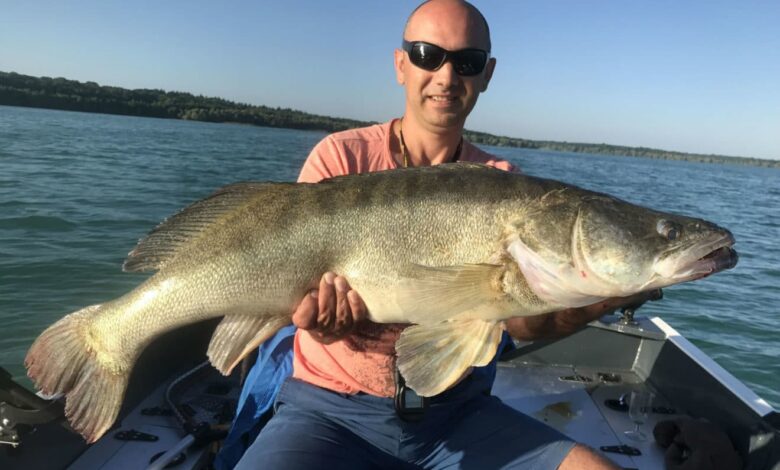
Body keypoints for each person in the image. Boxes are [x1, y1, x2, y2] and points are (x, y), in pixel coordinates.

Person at [223, 1, 656, 468]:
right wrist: (317, 320)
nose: (447, 76)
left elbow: (520, 325)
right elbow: (297, 292)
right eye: (428, 54)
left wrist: (589, 302)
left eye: (467, 62)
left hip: (458, 415)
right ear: (400, 64)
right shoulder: (340, 158)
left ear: (486, 74)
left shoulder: (505, 182)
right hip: (331, 411)